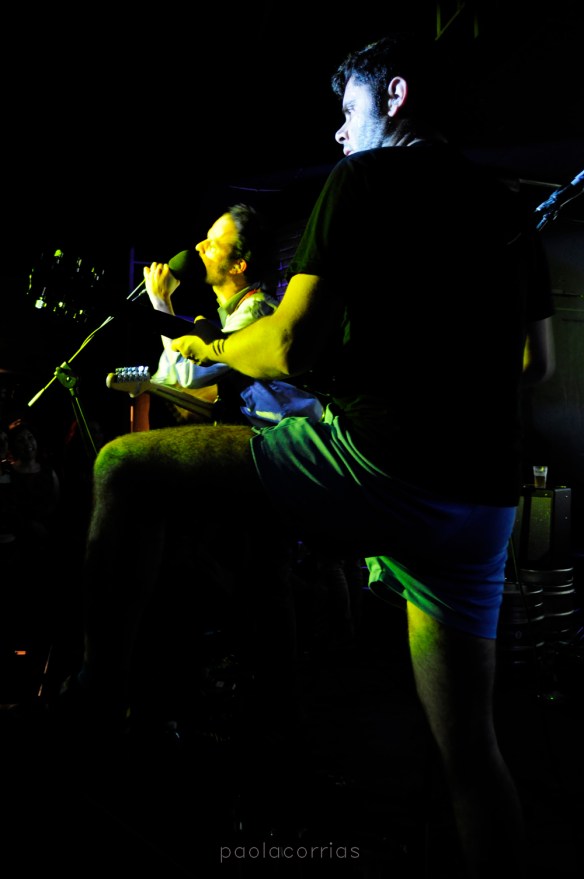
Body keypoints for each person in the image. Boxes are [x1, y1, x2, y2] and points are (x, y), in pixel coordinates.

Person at [55, 33, 554, 879]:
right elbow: (535, 364)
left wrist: (209, 347)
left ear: (394, 95)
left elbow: (288, 346)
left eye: (348, 108)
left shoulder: (361, 181)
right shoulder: (506, 207)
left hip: (379, 469)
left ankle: (97, 704)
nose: (337, 131)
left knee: (123, 469)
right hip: (480, 505)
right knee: (473, 753)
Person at [143, 201, 323, 429]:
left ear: (237, 265)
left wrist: (161, 302)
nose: (199, 246)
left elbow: (187, 375)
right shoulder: (236, 312)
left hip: (290, 433)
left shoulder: (255, 311)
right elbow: (169, 374)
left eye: (213, 244)